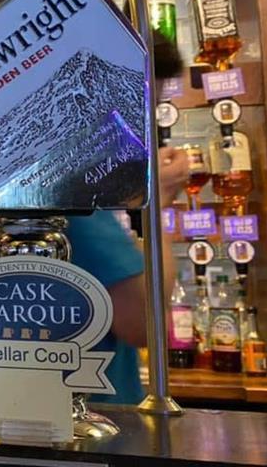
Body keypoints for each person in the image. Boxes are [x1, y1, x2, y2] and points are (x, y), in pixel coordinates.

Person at [68, 147, 189, 404]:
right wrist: (156, 203)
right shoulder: (74, 203)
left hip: (20, 413)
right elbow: (144, 325)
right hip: (94, 420)